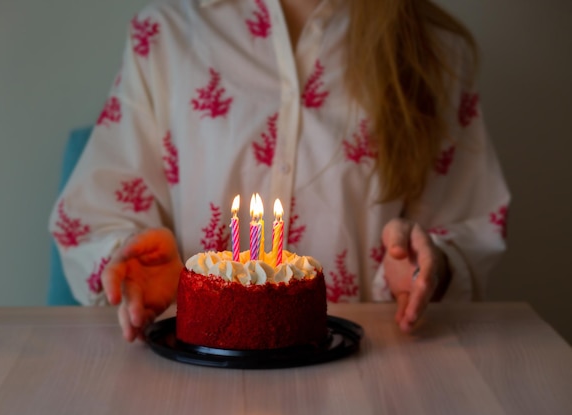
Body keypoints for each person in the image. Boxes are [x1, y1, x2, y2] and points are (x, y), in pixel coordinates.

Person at [49, 0, 510, 342]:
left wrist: (431, 265)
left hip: (367, 374)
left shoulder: (434, 51)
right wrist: (133, 265)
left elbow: (469, 224)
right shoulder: (167, 35)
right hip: (198, 377)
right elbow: (95, 213)